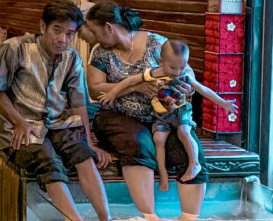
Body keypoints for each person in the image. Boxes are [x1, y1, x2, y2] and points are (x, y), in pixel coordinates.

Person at [82, 1, 211, 221]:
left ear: (108, 27)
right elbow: (95, 88)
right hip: (117, 114)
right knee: (138, 144)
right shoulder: (101, 53)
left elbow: (187, 75)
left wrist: (184, 88)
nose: (93, 38)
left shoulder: (157, 43)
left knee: (186, 147)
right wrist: (135, 86)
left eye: (95, 32)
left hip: (161, 116)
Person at [0, 1, 118, 221]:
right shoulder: (15, 49)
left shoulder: (73, 59)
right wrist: (19, 121)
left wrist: (88, 143)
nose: (63, 39)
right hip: (18, 128)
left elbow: (79, 105)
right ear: (43, 26)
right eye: (57, 30)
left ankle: (106, 220)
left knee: (83, 155)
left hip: (57, 125)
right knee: (47, 159)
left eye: (70, 34)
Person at [101, 39, 237, 190]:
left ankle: (195, 163)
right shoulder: (152, 73)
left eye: (182, 67)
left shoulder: (184, 75)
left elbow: (203, 89)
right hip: (161, 115)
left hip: (181, 112)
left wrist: (223, 103)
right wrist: (112, 93)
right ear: (161, 61)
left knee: (183, 132)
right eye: (172, 67)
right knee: (158, 139)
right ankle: (163, 175)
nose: (177, 72)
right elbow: (130, 81)